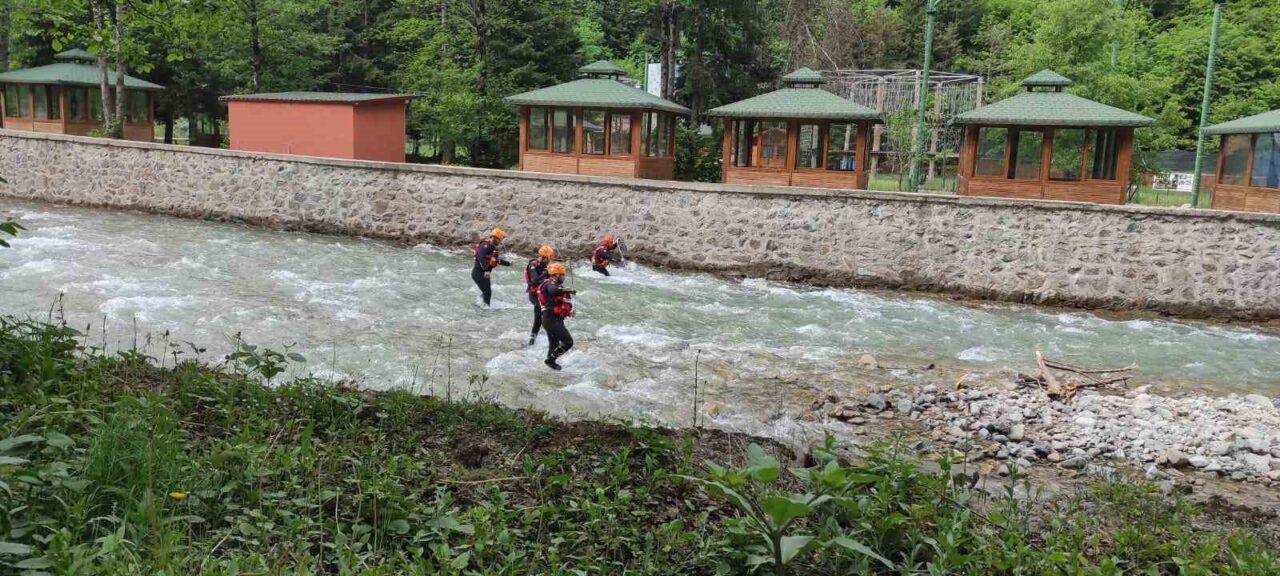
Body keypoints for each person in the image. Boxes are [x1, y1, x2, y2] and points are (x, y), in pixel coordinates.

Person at [537, 262, 575, 370]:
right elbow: (553, 291)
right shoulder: (549, 284)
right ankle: (550, 360)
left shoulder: (555, 284)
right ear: (557, 275)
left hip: (552, 319)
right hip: (550, 320)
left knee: (554, 344)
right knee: (568, 342)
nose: (564, 277)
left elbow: (556, 303)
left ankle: (550, 364)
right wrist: (569, 290)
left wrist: (568, 313)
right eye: (562, 275)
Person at [524, 245, 556, 345]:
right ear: (544, 257)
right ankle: (553, 341)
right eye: (548, 259)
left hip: (542, 295)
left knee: (538, 320)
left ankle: (531, 341)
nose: (549, 261)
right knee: (548, 316)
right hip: (534, 295)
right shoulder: (533, 265)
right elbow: (535, 281)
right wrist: (546, 272)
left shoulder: (545, 267)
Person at [472, 227, 511, 307]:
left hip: (484, 274)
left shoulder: (493, 248)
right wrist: (486, 270)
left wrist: (508, 264)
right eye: (499, 240)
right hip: (478, 273)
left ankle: (479, 305)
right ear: (494, 238)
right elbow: (480, 257)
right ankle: (485, 309)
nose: (500, 242)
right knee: (487, 292)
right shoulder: (485, 245)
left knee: (486, 291)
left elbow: (496, 260)